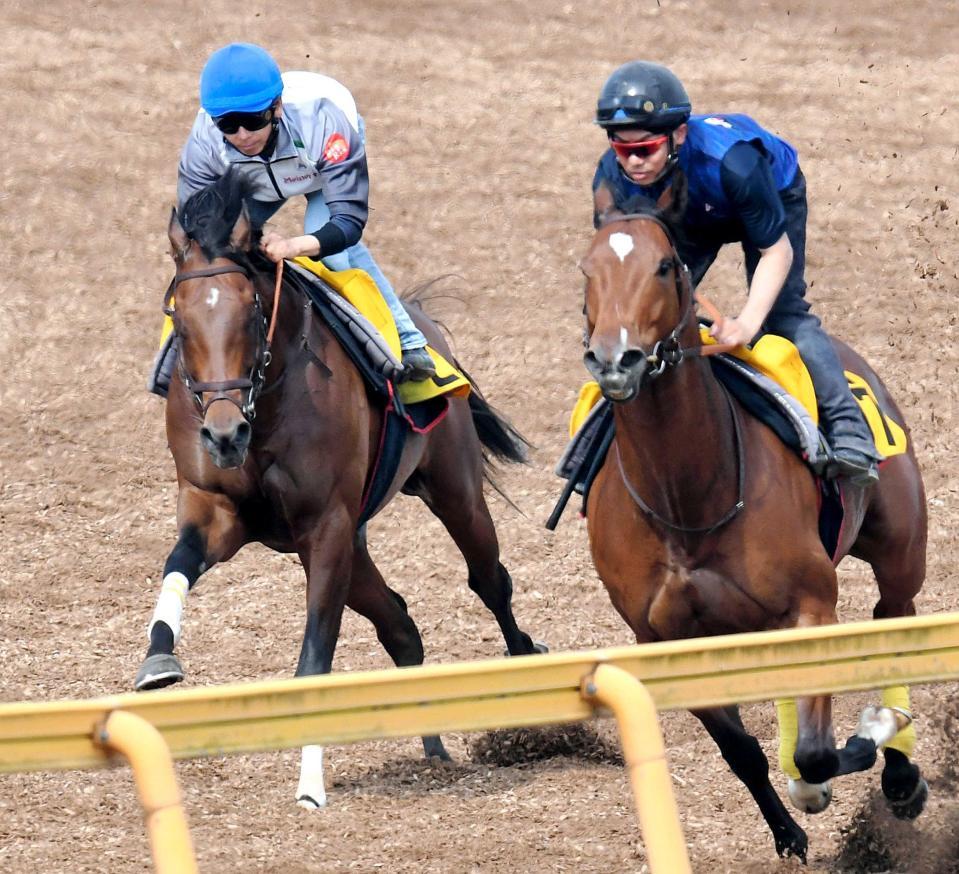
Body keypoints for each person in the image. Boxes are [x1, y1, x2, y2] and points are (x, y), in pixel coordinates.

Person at [591, 60, 881, 485]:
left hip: (766, 194)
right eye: (623, 150)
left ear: (679, 135)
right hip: (687, 210)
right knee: (650, 313)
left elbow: (775, 253)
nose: (634, 163)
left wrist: (747, 322)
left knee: (785, 317)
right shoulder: (609, 176)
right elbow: (625, 264)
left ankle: (849, 428)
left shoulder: (735, 164)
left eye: (646, 149)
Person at [176, 42, 435, 381]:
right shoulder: (204, 141)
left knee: (333, 250)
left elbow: (348, 222)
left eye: (254, 120)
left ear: (277, 107)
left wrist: (294, 247)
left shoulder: (324, 122)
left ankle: (408, 340)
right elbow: (195, 219)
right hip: (259, 181)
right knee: (213, 253)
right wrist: (257, 231)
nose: (242, 135)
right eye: (228, 124)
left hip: (320, 166)